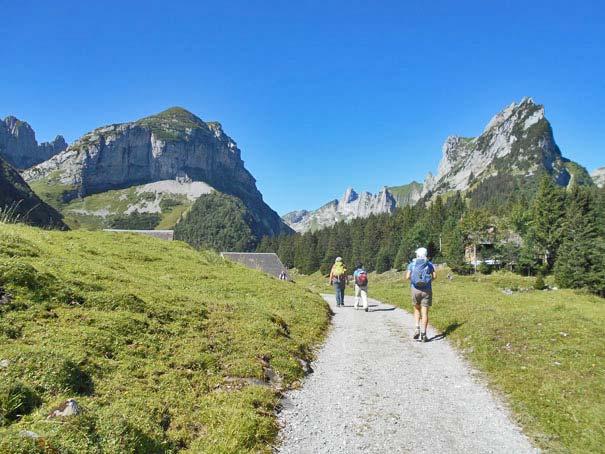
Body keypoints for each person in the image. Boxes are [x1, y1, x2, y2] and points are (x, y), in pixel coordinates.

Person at [405, 247, 436, 342]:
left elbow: (407, 277)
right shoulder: (429, 264)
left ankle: (417, 328)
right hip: (427, 290)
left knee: (417, 310)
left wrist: (414, 281)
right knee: (425, 312)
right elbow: (435, 276)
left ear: (417, 255)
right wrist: (427, 281)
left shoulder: (412, 264)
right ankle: (423, 334)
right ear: (425, 254)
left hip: (415, 289)